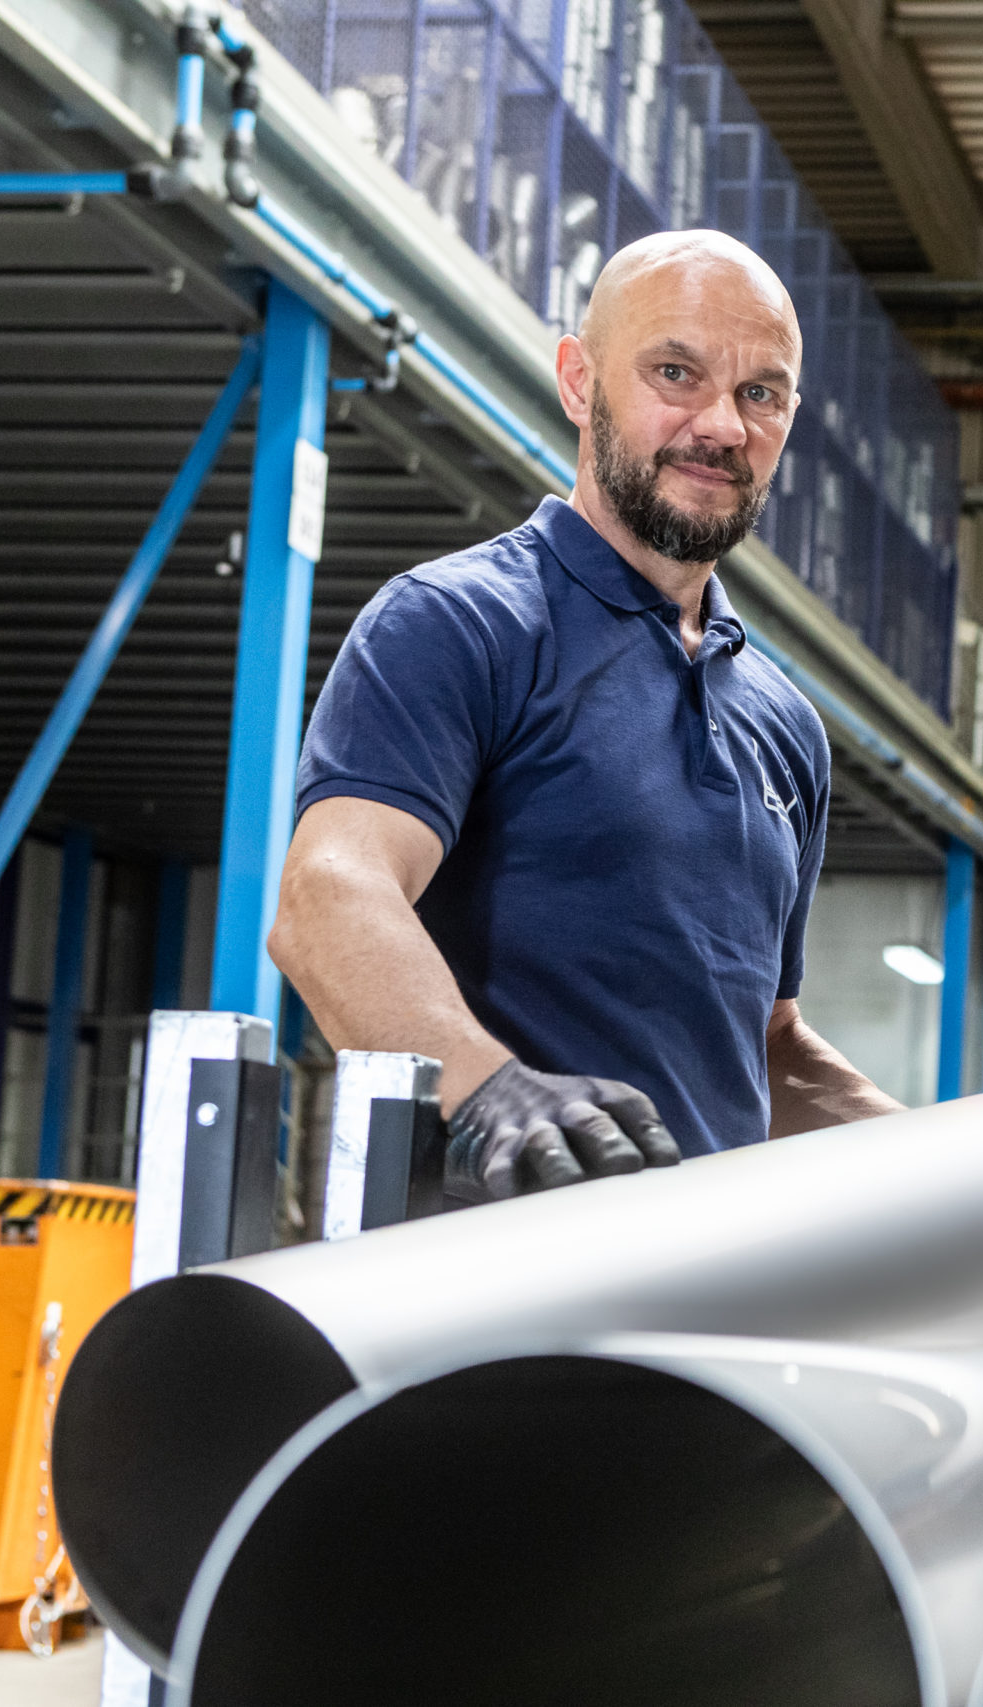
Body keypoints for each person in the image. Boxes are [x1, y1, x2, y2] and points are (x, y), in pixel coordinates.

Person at [269, 230, 903, 1205]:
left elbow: (767, 1046)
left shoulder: (786, 727)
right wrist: (490, 1093)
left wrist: (949, 1155)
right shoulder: (457, 624)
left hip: (698, 1276)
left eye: (760, 393)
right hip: (482, 1271)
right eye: (676, 373)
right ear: (579, 381)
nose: (722, 425)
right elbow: (327, 899)